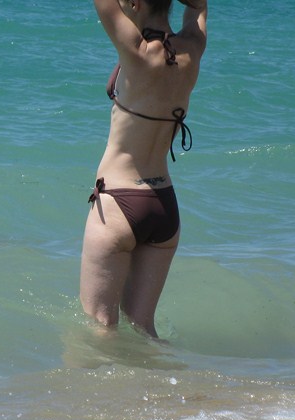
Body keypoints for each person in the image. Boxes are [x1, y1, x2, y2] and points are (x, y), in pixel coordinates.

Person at [80, 0, 207, 337]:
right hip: (164, 205)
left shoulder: (137, 51)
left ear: (135, 2)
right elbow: (198, 8)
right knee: (144, 329)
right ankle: (167, 373)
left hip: (118, 203)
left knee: (99, 328)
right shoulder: (193, 48)